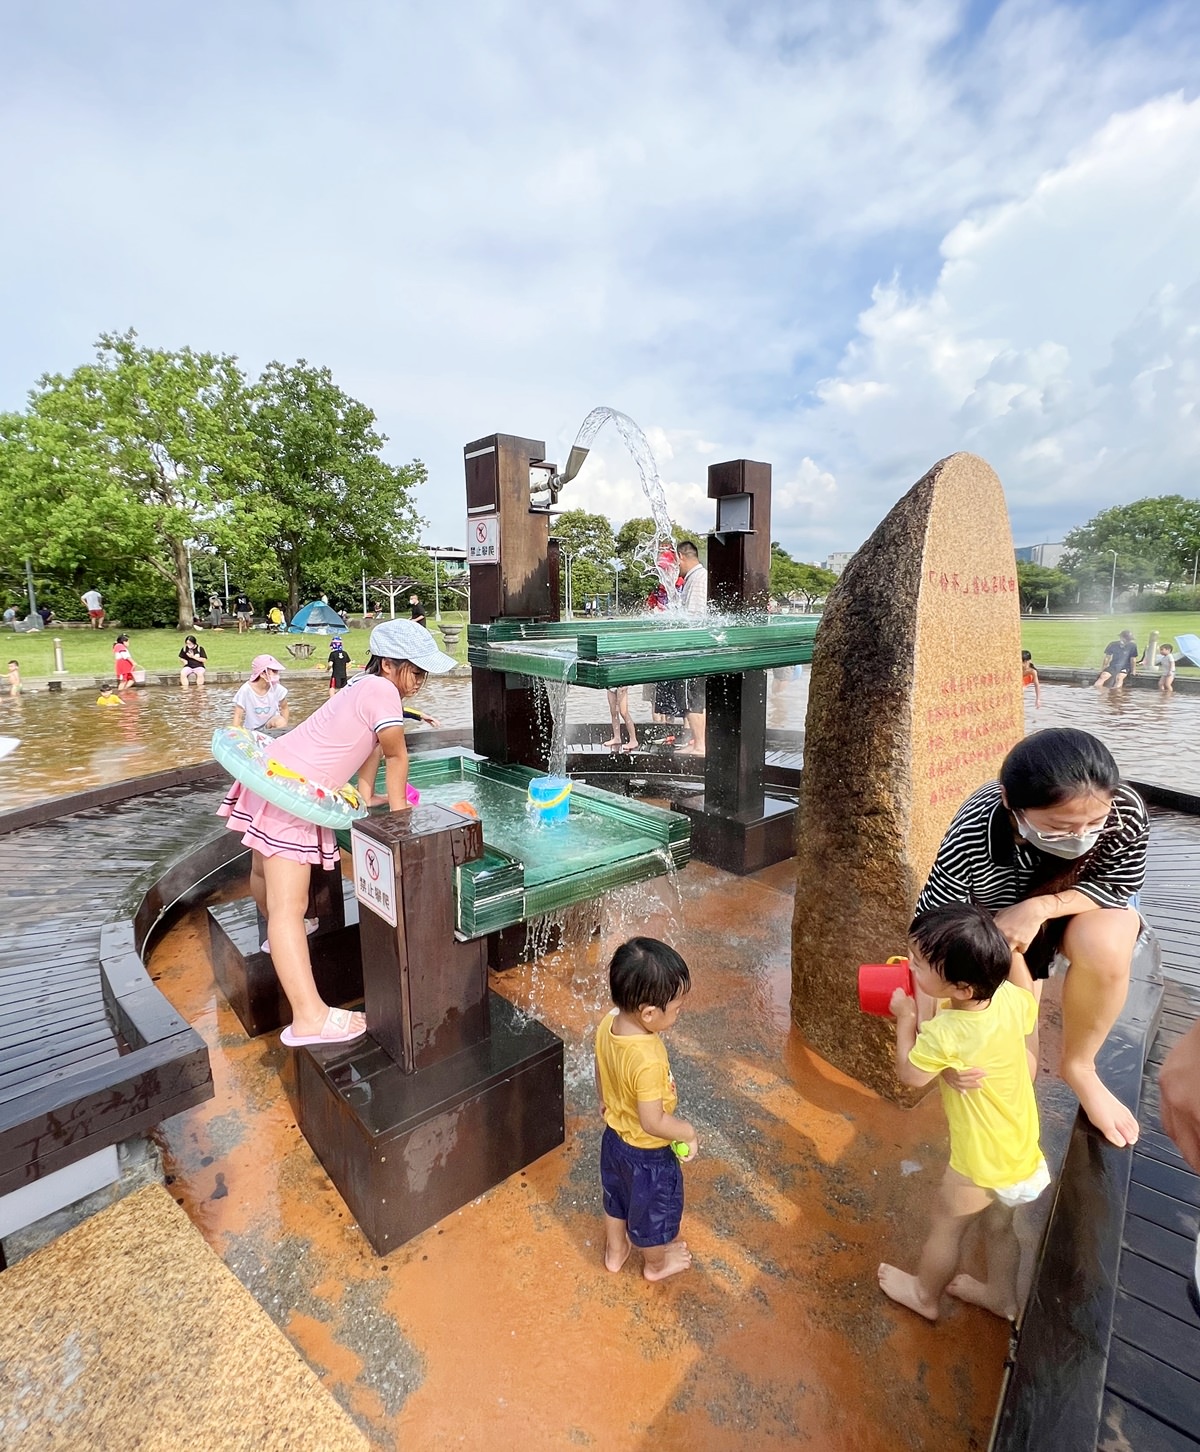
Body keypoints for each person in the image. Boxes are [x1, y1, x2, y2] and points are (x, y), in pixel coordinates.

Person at [217, 619, 457, 1047]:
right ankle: (308, 1017)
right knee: (291, 909)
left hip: (271, 770)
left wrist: (366, 795)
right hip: (291, 792)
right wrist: (402, 819)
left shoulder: (364, 687)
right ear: (388, 664)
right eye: (416, 671)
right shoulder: (383, 691)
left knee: (263, 871)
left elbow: (366, 745)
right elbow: (395, 753)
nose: (420, 681)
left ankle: (277, 936)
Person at [915, 728, 1147, 1148]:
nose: (1079, 838)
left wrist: (1041, 908)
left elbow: (1120, 883)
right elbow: (936, 924)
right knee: (1018, 1053)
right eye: (1059, 827)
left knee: (1108, 947)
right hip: (1000, 928)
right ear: (1010, 801)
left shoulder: (1125, 810)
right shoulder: (975, 829)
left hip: (1078, 906)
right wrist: (930, 1035)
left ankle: (1080, 1067)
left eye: (1094, 823)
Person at [878, 904, 1047, 1322]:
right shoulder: (1008, 998)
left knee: (946, 1225)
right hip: (1019, 1149)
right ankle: (1001, 1296)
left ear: (963, 987)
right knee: (998, 1228)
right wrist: (951, 1069)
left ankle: (924, 1294)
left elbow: (912, 1075)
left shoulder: (946, 1031)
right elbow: (1010, 1019)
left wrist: (906, 1018)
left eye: (920, 965)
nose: (912, 968)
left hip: (980, 1160)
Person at [594, 937, 698, 1282]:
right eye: (677, 1008)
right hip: (648, 1156)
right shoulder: (648, 1058)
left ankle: (615, 1251)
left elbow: (599, 1065)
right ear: (649, 1013)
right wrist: (687, 1132)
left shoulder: (608, 1024)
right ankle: (656, 1265)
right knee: (652, 1219)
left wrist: (604, 1099)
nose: (680, 1013)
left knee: (616, 1200)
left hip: (614, 1141)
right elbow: (653, 1122)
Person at [676, 541, 708, 757]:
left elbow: (694, 618)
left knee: (692, 700)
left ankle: (700, 746)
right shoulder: (696, 578)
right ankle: (695, 741)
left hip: (693, 651)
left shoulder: (697, 580)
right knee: (691, 700)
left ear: (681, 557)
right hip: (694, 651)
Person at [231, 655, 290, 732]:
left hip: (269, 725)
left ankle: (276, 738)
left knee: (280, 721)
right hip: (251, 729)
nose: (277, 674)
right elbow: (238, 715)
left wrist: (284, 727)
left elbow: (284, 707)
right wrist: (235, 734)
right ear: (262, 674)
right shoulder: (246, 690)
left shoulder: (277, 688)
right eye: (274, 671)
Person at [603, 687, 639, 753]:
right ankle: (617, 737)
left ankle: (633, 740)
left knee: (623, 712)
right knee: (613, 712)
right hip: (611, 684)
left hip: (621, 685)